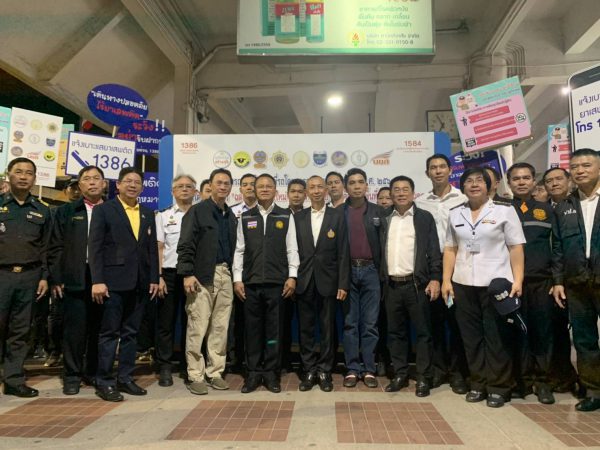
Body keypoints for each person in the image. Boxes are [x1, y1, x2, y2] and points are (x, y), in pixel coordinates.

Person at [442, 167, 525, 408]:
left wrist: (518, 280)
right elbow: (450, 248)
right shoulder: (455, 213)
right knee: (471, 338)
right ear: (463, 187)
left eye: (480, 180)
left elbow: (516, 247)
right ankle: (478, 383)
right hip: (463, 283)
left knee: (496, 337)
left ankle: (498, 387)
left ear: (489, 186)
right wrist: (446, 280)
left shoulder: (504, 211)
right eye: (469, 181)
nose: (474, 184)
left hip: (495, 283)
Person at [88, 167, 160, 402]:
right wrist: (97, 280)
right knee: (109, 333)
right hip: (112, 282)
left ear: (142, 187)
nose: (132, 185)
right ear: (117, 185)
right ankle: (104, 381)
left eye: (137, 182)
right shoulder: (104, 210)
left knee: (131, 333)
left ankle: (125, 378)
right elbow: (95, 247)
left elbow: (151, 248)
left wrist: (154, 278)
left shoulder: (147, 213)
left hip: (140, 283)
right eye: (127, 181)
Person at [233, 174, 299, 393]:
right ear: (254, 190)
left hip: (277, 284)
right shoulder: (245, 217)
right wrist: (237, 279)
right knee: (252, 331)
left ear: (275, 190)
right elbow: (239, 250)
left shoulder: (285, 215)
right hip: (250, 284)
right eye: (259, 186)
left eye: (268, 186)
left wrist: (292, 276)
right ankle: (253, 373)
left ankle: (271, 373)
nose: (263, 189)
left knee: (274, 332)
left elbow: (292, 248)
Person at [380, 176, 441, 397]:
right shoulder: (384, 218)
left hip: (417, 285)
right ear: (391, 194)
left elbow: (433, 249)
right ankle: (400, 374)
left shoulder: (424, 218)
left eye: (405, 189)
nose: (401, 193)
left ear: (413, 193)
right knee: (395, 333)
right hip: (391, 286)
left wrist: (435, 277)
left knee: (424, 333)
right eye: (396, 189)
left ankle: (424, 377)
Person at [177, 169, 236, 395]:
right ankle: (195, 375)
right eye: (218, 183)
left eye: (226, 183)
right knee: (198, 326)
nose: (222, 186)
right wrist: (187, 273)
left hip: (225, 274)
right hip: (201, 276)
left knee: (220, 327)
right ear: (210, 185)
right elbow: (185, 244)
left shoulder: (230, 215)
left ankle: (215, 372)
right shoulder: (197, 211)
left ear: (230, 187)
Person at [48, 165, 105, 395]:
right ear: (79, 185)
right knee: (74, 330)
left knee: (99, 329)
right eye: (87, 179)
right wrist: (57, 278)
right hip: (74, 278)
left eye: (96, 178)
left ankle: (92, 371)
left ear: (104, 184)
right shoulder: (67, 211)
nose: (92, 182)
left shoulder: (113, 210)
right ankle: (72, 375)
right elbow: (56, 246)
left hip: (104, 279)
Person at [415, 154, 469, 394]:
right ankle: (437, 369)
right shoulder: (420, 202)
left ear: (450, 170)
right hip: (430, 269)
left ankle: (458, 373)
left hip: (458, 266)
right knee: (433, 322)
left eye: (441, 167)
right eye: (433, 168)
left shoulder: (463, 199)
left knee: (457, 322)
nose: (437, 171)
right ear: (427, 173)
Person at [552, 148, 600, 412]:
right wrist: (558, 280)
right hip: (577, 281)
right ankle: (593, 390)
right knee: (584, 340)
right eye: (575, 166)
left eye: (586, 165)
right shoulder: (565, 206)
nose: (580, 170)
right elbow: (558, 247)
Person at [0, 157, 50, 397]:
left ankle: (13, 380)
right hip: (2, 275)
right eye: (18, 171)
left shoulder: (42, 210)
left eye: (28, 173)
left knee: (20, 331)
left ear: (34, 178)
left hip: (30, 277)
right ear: (8, 175)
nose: (23, 176)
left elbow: (46, 248)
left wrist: (44, 276)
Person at [507, 162, 556, 404]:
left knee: (541, 332)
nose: (521, 182)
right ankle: (522, 381)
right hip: (511, 284)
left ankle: (543, 382)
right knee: (517, 332)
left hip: (541, 282)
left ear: (534, 181)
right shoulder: (502, 210)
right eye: (516, 178)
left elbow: (557, 247)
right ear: (509, 183)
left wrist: (557, 279)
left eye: (526, 177)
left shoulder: (546, 211)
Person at [294, 175, 349, 392]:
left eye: (320, 187)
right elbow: (292, 251)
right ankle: (308, 369)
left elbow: (343, 251)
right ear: (306, 192)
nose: (316, 191)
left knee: (327, 329)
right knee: (305, 329)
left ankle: (325, 370)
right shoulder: (298, 217)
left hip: (329, 281)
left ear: (326, 190)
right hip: (304, 280)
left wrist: (343, 283)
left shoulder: (337, 216)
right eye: (312, 187)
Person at [341, 168, 385, 388]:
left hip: (371, 272)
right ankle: (352, 368)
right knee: (350, 323)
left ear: (367, 185)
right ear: (346, 187)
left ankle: (369, 369)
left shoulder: (379, 212)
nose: (357, 186)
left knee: (369, 324)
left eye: (360, 182)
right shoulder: (338, 213)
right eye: (352, 183)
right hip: (347, 272)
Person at [154, 174, 196, 386]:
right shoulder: (163, 216)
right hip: (169, 275)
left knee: (192, 322)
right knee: (166, 322)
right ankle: (165, 366)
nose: (184, 189)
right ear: (173, 191)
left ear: (195, 191)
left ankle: (190, 366)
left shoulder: (201, 214)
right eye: (180, 186)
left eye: (189, 186)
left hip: (194, 275)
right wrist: (159, 276)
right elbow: (159, 248)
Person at [540, 167, 579, 394]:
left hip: (576, 276)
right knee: (556, 330)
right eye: (549, 181)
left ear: (569, 180)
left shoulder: (578, 205)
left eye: (558, 179)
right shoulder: (543, 210)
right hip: (550, 280)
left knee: (580, 333)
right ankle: (561, 375)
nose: (554, 184)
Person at [228, 173, 257, 372]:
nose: (249, 187)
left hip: (257, 272)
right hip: (237, 272)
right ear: (240, 189)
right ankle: (236, 359)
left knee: (255, 319)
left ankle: (254, 358)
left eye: (252, 184)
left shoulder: (266, 211)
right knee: (236, 319)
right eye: (245, 184)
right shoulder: (232, 212)